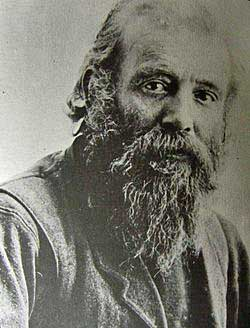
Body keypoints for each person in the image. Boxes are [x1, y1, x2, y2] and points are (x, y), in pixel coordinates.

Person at [0, 0, 249, 327]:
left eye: (203, 95)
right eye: (156, 86)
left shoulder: (223, 247)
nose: (182, 119)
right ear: (94, 89)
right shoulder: (18, 230)